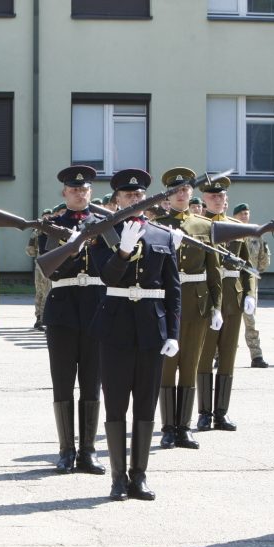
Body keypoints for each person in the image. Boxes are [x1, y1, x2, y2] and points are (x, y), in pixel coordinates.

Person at [89, 169, 181, 501]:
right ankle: (117, 478)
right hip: (115, 329)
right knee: (116, 405)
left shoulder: (162, 235)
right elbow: (108, 277)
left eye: (139, 195)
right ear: (115, 200)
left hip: (151, 330)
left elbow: (173, 289)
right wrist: (123, 251)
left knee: (145, 404)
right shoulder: (104, 233)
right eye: (128, 196)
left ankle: (138, 476)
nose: (134, 199)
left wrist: (173, 332)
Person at [37, 166, 108, 475]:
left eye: (85, 189)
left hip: (96, 308)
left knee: (92, 383)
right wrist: (74, 245)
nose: (80, 193)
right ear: (64, 193)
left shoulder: (105, 225)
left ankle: (88, 450)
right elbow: (49, 268)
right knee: (63, 383)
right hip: (63, 309)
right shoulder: (52, 225)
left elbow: (110, 266)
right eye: (74, 189)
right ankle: (66, 450)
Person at [154, 167, 222, 450]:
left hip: (196, 301)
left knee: (190, 365)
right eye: (175, 191)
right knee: (168, 366)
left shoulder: (204, 226)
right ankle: (168, 427)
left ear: (192, 193)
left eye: (185, 190)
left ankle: (185, 427)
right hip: (166, 302)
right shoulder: (156, 225)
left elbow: (214, 270)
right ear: (167, 196)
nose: (181, 194)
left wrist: (217, 306)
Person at [195, 178, 256, 432]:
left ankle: (221, 412)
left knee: (228, 356)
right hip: (208, 300)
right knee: (205, 357)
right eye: (213, 197)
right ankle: (204, 413)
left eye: (221, 197)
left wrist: (250, 293)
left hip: (233, 298)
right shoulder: (198, 226)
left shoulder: (235, 227)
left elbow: (247, 266)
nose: (218, 200)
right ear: (204, 199)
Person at [232, 203, 271, 368]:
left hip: (250, 282)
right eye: (241, 214)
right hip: (232, 281)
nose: (244, 216)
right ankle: (221, 355)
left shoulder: (257, 235)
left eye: (246, 213)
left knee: (250, 321)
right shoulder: (229, 233)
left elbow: (264, 261)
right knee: (229, 320)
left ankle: (256, 356)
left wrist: (254, 272)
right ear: (234, 216)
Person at [26, 207, 54, 331]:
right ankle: (39, 317)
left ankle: (42, 318)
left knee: (47, 290)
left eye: (49, 216)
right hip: (40, 264)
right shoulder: (37, 232)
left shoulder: (52, 230)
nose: (47, 218)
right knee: (40, 291)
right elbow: (29, 250)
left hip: (48, 263)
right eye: (45, 216)